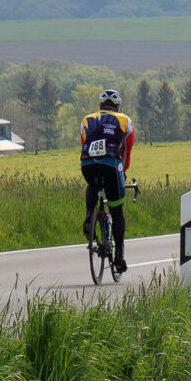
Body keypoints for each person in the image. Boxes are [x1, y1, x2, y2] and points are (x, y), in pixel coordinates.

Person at [79, 89, 134, 276]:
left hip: (87, 164)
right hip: (111, 164)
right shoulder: (125, 120)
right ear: (117, 106)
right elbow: (126, 150)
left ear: (100, 106)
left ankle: (89, 216)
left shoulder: (86, 119)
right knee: (117, 212)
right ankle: (119, 258)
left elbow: (84, 143)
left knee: (93, 185)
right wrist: (122, 172)